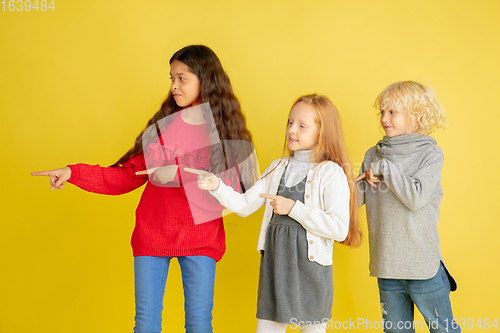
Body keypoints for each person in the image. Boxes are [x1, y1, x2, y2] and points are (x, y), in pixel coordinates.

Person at [31, 44, 257, 333]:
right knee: (145, 324)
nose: (174, 86)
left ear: (206, 80)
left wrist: (177, 173)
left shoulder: (225, 133)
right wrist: (73, 172)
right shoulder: (163, 127)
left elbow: (233, 192)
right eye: (171, 78)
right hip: (152, 234)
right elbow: (128, 175)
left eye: (182, 79)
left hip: (201, 237)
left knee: (199, 325)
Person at [190, 94, 362, 333]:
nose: (292, 130)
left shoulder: (330, 173)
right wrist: (217, 186)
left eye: (302, 126)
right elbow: (244, 205)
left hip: (311, 271)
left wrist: (294, 209)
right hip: (275, 266)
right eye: (290, 122)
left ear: (323, 132)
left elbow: (339, 228)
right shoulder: (277, 167)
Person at [356, 81, 460, 333]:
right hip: (386, 265)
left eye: (393, 112)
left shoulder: (430, 155)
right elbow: (355, 201)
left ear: (417, 117)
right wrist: (338, 178)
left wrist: (384, 169)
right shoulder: (373, 154)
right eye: (382, 112)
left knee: (443, 330)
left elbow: (415, 198)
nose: (384, 118)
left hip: (422, 267)